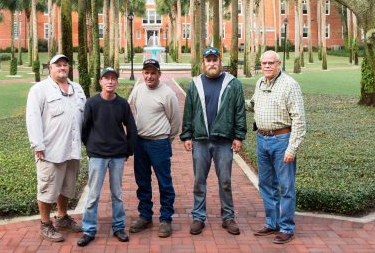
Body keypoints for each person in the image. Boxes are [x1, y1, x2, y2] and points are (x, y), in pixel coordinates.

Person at [180, 47, 247, 236]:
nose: (212, 63)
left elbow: (239, 112)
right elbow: (189, 112)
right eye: (208, 60)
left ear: (220, 61)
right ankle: (198, 217)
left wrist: (238, 136)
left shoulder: (233, 84)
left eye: (214, 60)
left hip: (223, 141)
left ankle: (228, 217)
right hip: (200, 141)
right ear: (203, 62)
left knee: (225, 181)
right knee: (199, 181)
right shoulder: (195, 84)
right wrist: (186, 135)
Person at [245, 50, 306, 244]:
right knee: (266, 184)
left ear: (278, 64)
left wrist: (292, 148)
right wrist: (234, 98)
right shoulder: (260, 82)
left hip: (282, 140)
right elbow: (253, 105)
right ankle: (272, 223)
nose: (267, 66)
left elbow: (299, 120)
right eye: (264, 63)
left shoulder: (290, 85)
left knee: (286, 186)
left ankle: (287, 227)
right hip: (262, 139)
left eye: (271, 63)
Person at [26, 54, 86, 242]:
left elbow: (85, 116)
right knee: (47, 188)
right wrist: (38, 144)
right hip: (50, 150)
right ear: (50, 68)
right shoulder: (39, 90)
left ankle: (62, 218)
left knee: (67, 186)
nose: (62, 67)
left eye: (65, 64)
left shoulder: (77, 88)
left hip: (72, 148)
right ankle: (45, 224)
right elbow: (32, 117)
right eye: (58, 65)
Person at [77, 67, 138, 247]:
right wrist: (91, 148)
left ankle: (119, 227)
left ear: (116, 82)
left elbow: (131, 128)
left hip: (117, 155)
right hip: (97, 156)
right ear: (100, 82)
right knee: (93, 195)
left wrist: (128, 150)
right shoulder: (92, 103)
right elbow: (85, 129)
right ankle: (88, 230)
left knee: (117, 194)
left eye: (113, 79)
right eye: (106, 78)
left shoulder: (122, 104)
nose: (110, 82)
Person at [130, 59, 181, 238]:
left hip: (159, 143)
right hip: (140, 143)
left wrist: (167, 139)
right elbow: (135, 111)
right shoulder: (137, 90)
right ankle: (145, 216)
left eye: (153, 73)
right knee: (142, 182)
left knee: (164, 182)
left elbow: (175, 121)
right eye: (146, 72)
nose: (149, 76)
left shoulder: (168, 94)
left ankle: (166, 219)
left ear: (159, 74)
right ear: (142, 74)